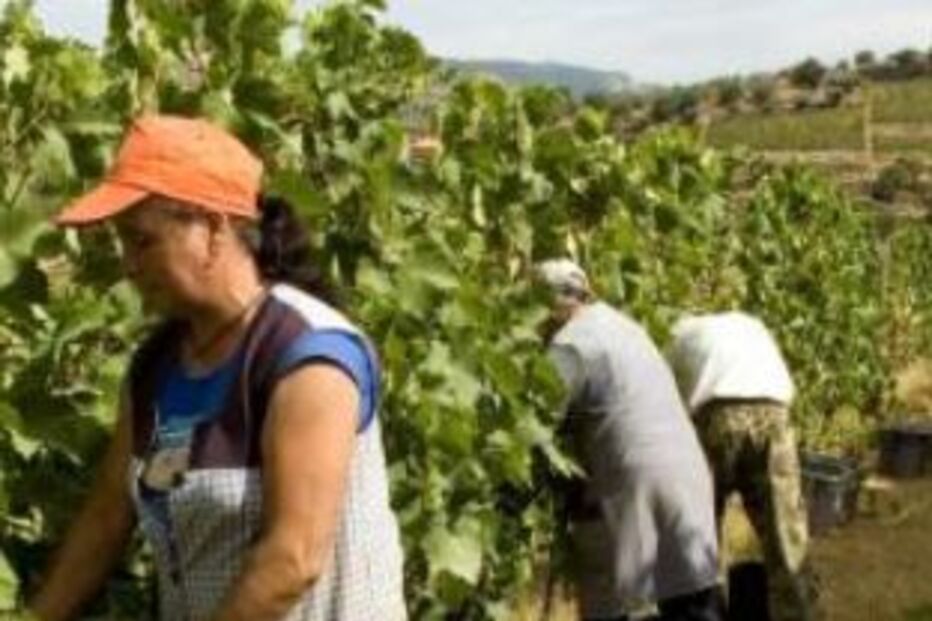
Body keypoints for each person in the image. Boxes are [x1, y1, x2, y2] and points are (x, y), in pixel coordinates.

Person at [25, 115, 406, 621]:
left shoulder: (309, 355)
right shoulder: (157, 369)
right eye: (122, 243)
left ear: (212, 228)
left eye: (142, 241)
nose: (128, 264)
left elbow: (292, 559)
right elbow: (106, 519)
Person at [536, 259, 724, 621]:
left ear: (550, 306)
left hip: (635, 478)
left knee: (614, 599)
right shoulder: (626, 327)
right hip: (689, 469)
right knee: (691, 591)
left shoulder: (570, 344)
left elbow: (539, 420)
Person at [667, 311, 815, 621]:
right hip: (773, 416)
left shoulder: (678, 340)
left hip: (716, 418)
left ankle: (705, 611)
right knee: (786, 541)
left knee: (700, 534)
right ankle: (797, 612)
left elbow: (674, 409)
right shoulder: (749, 324)